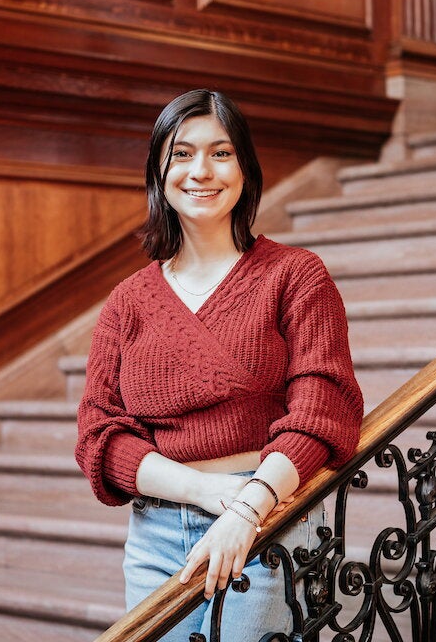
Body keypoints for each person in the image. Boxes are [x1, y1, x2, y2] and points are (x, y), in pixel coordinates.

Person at [74, 88, 363, 641]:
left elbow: (323, 409)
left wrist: (247, 508)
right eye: (181, 154)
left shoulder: (296, 275)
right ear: (159, 173)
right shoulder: (127, 301)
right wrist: (204, 494)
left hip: (270, 520)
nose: (200, 171)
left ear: (246, 169)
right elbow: (98, 436)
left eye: (220, 152)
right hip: (156, 532)